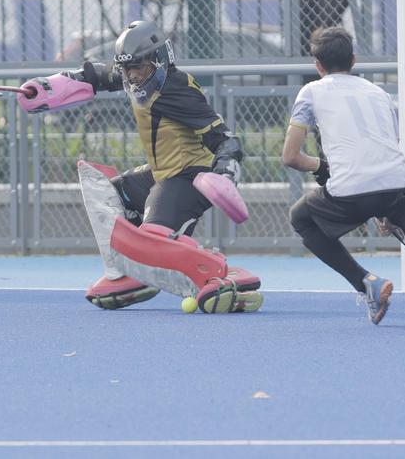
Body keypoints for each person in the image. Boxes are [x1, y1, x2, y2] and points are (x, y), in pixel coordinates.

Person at [61, 20, 262, 313]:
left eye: (137, 68)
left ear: (158, 61)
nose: (130, 77)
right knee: (109, 196)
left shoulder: (176, 90)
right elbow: (101, 76)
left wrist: (224, 175)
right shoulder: (137, 78)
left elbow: (226, 140)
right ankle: (134, 272)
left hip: (189, 177)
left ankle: (220, 274)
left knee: (151, 241)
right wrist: (50, 85)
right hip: (162, 173)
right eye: (125, 68)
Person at [282, 26, 405, 325]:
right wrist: (382, 207)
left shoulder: (310, 92)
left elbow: (291, 157)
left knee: (301, 218)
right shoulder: (378, 92)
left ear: (318, 66)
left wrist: (322, 168)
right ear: (354, 60)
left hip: (351, 189)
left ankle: (365, 282)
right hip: (394, 183)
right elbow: (386, 148)